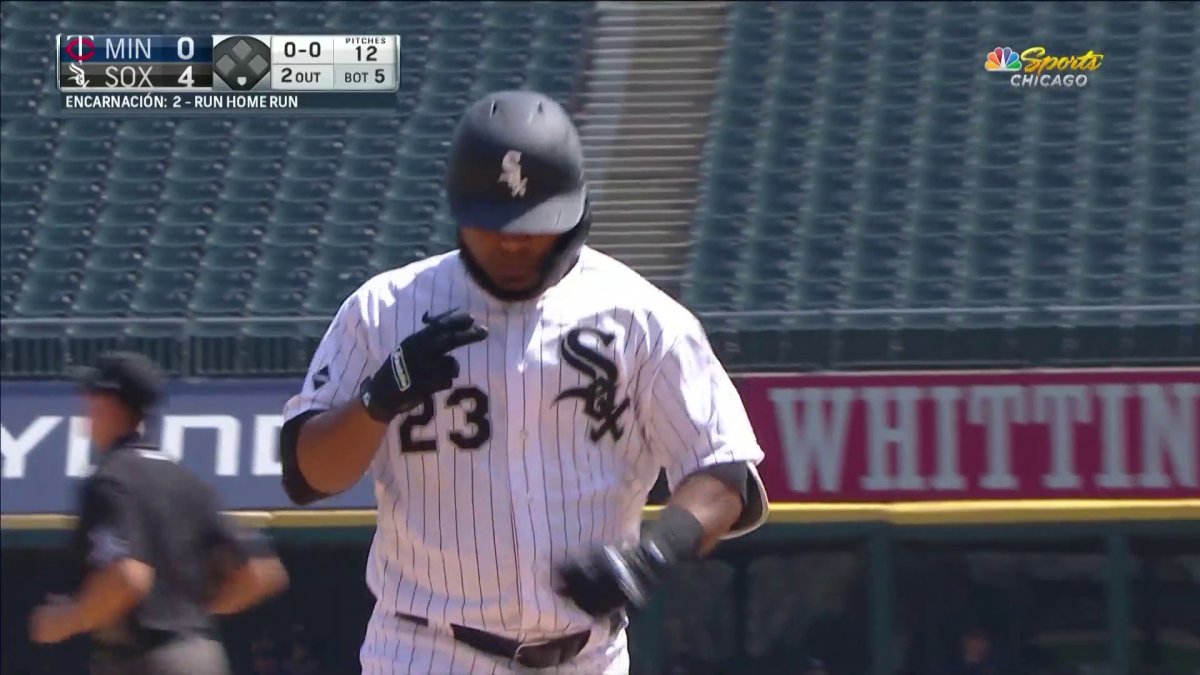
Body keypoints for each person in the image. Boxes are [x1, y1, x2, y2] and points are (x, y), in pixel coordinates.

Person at [278, 89, 770, 674]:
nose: (512, 240)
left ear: (572, 212)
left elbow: (724, 472)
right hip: (425, 649)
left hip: (587, 656)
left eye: (531, 224)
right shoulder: (384, 311)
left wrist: (652, 556)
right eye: (494, 223)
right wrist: (377, 400)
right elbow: (308, 475)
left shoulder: (642, 319)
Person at [28, 351, 289, 675]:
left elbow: (127, 576)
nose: (86, 403)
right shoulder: (186, 480)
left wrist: (68, 618)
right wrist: (191, 614)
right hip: (202, 656)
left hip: (145, 662)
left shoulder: (113, 479)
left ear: (111, 403)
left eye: (93, 394)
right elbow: (260, 571)